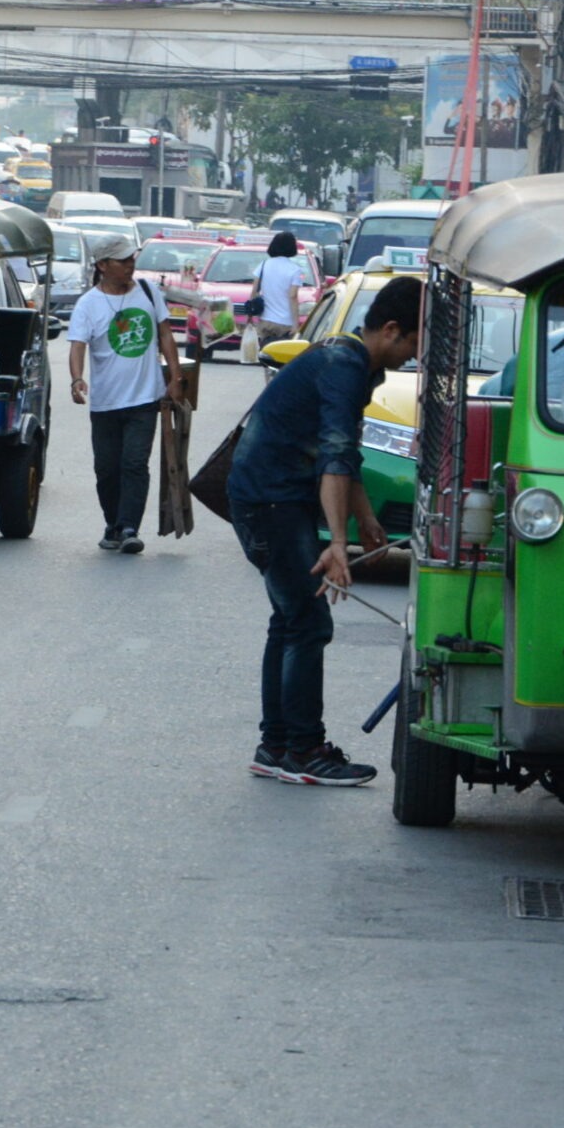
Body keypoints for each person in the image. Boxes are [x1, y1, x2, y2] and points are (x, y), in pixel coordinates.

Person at [227, 275, 423, 786]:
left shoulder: (358, 365)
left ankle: (276, 746)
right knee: (308, 622)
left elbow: (345, 454)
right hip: (271, 500)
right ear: (393, 329)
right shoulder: (345, 366)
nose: (416, 356)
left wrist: (366, 518)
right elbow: (335, 454)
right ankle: (303, 751)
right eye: (417, 342)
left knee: (290, 620)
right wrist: (339, 542)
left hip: (268, 496)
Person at [66, 231, 187, 554]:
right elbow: (77, 346)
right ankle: (114, 524)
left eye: (132, 258)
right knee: (107, 469)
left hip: (145, 398)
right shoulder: (88, 304)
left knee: (135, 463)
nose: (130, 265)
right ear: (103, 265)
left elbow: (165, 334)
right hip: (105, 402)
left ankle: (130, 526)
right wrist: (77, 379)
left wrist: (175, 377)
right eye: (123, 260)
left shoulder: (147, 292)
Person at [251, 230, 306, 348]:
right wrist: (296, 324)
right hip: (286, 323)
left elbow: (254, 292)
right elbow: (292, 296)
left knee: (266, 354)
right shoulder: (296, 270)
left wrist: (251, 316)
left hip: (266, 320)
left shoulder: (263, 265)